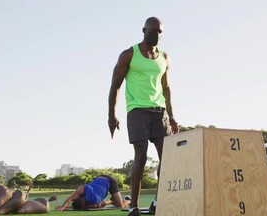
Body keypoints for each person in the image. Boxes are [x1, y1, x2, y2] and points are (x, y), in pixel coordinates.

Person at [108, 17, 179, 216]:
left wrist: (172, 116)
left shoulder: (164, 57)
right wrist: (111, 115)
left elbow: (166, 87)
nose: (158, 35)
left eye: (161, 32)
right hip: (137, 111)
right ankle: (134, 206)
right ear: (144, 30)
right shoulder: (129, 54)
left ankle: (157, 202)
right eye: (154, 31)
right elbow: (115, 85)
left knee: (166, 159)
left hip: (160, 112)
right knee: (141, 156)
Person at [56, 175, 130, 211]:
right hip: (98, 178)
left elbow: (99, 205)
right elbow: (71, 198)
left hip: (110, 181)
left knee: (120, 206)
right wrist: (63, 207)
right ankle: (112, 200)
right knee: (103, 204)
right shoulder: (81, 189)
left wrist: (65, 207)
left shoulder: (93, 199)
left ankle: (129, 200)